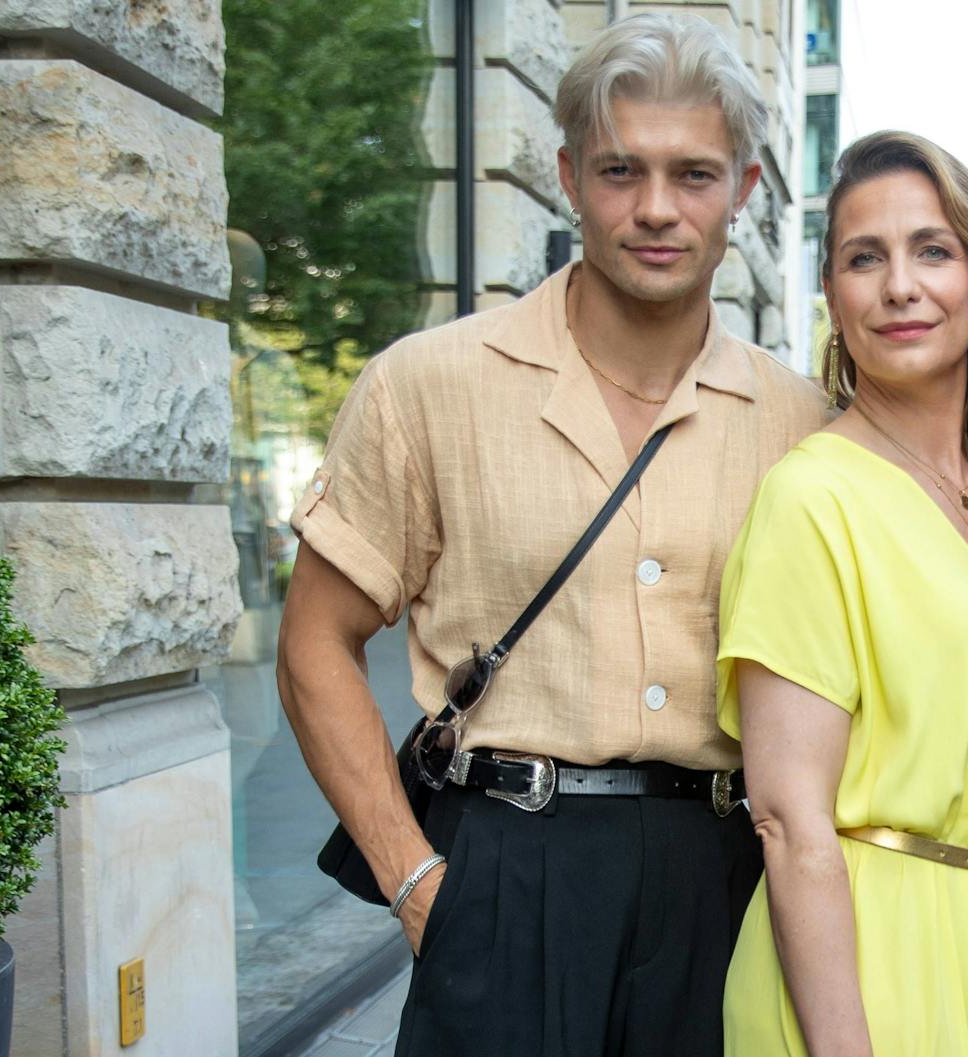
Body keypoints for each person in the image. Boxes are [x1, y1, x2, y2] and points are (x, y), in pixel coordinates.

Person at [273, 15, 828, 1055]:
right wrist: (414, 876)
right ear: (569, 176)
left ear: (745, 193)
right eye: (621, 170)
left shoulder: (801, 424)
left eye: (693, 175)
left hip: (723, 873)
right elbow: (313, 642)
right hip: (504, 869)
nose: (655, 209)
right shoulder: (428, 384)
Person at [714, 131, 968, 1056]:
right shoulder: (812, 497)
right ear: (833, 298)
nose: (899, 284)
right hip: (858, 959)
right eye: (864, 257)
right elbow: (787, 818)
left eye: (932, 249)